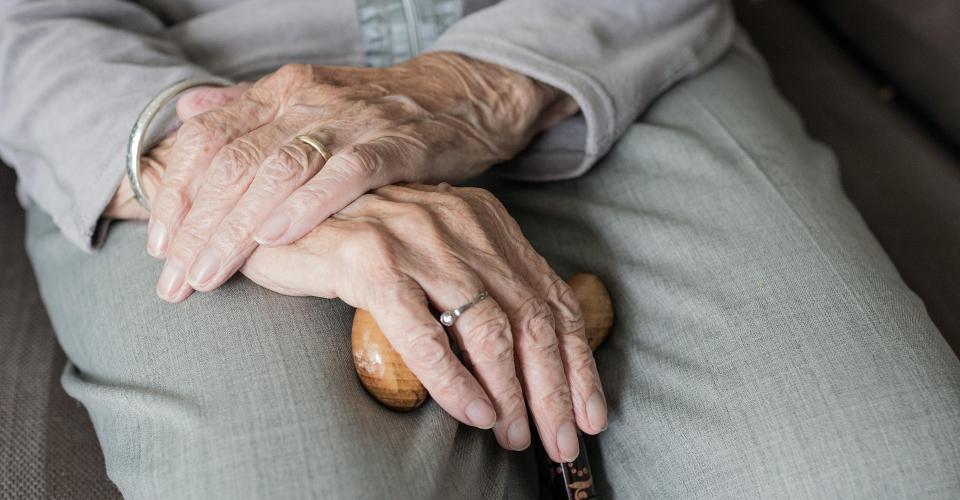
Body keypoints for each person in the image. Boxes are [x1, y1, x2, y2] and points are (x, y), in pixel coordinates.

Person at [2, 0, 958, 498]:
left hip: (603, 51)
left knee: (889, 473)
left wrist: (469, 87)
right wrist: (218, 164)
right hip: (179, 92)